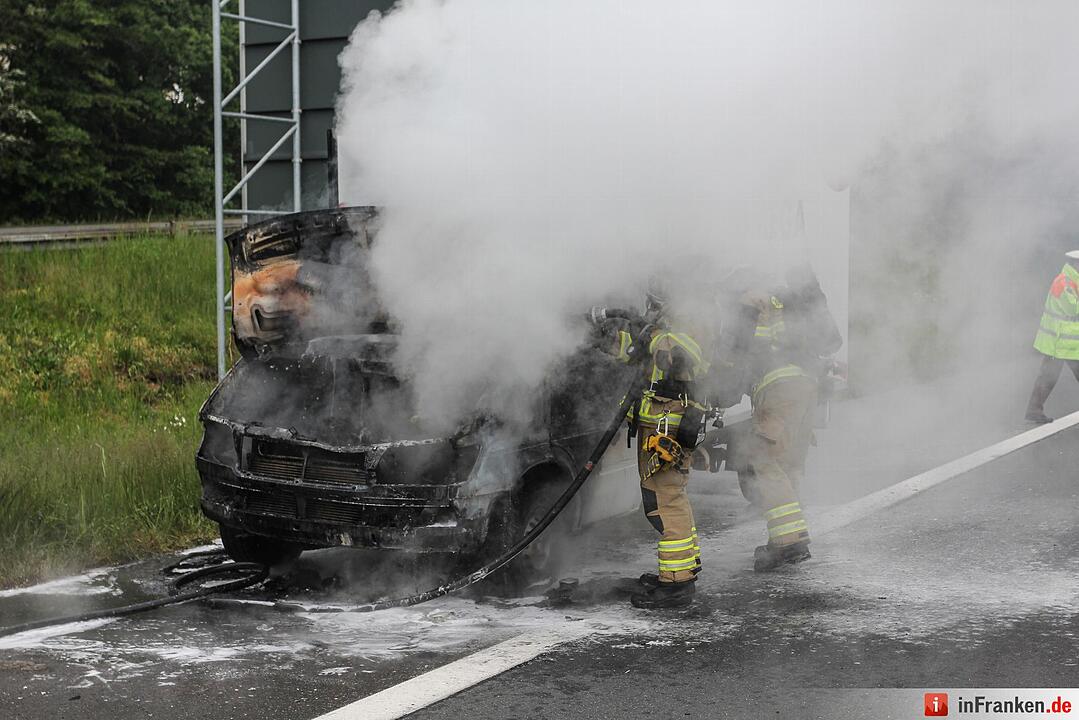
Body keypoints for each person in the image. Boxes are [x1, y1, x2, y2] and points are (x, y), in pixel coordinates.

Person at [711, 264, 841, 572]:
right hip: (808, 387)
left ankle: (788, 544)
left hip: (778, 389)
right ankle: (787, 537)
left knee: (765, 461)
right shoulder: (787, 300)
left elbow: (735, 360)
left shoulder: (749, 310)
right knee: (787, 465)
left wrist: (715, 396)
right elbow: (830, 342)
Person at [592, 278, 710, 608]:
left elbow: (688, 384)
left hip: (664, 436)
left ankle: (676, 586)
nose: (649, 310)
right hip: (661, 434)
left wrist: (683, 440)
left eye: (653, 305)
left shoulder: (673, 341)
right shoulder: (669, 337)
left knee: (664, 501)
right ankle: (684, 569)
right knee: (671, 499)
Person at [1025, 250, 1079, 424]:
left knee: (1047, 376)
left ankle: (1033, 410)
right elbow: (1073, 309)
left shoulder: (1073, 281)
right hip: (1060, 341)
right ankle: (1033, 410)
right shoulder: (1063, 283)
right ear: (1076, 264)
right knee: (1048, 377)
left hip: (1067, 342)